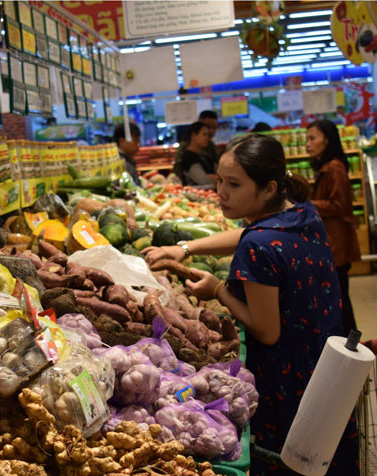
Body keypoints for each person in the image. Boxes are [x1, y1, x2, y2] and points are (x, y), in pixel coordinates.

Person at [144, 134, 359, 476]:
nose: (221, 192)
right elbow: (251, 234)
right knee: (324, 454)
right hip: (323, 357)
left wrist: (218, 289)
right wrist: (185, 249)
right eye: (218, 181)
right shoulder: (302, 212)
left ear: (268, 188)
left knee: (292, 459)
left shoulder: (258, 246)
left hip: (287, 376)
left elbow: (267, 331)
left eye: (233, 184)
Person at [306, 119, 361, 335]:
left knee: (340, 301)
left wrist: (307, 203)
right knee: (338, 299)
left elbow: (339, 205)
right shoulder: (326, 167)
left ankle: (352, 347)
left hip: (336, 244)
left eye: (313, 138)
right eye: (306, 139)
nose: (308, 144)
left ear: (327, 141)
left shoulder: (334, 167)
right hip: (332, 243)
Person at [173, 110, 219, 178]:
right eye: (208, 127)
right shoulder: (186, 146)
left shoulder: (210, 145)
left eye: (214, 127)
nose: (211, 131)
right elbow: (178, 168)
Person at [180, 121, 217, 187]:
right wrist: (215, 177)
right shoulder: (188, 157)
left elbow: (221, 176)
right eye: (204, 134)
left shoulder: (206, 156)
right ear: (193, 135)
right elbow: (203, 181)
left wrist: (211, 177)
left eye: (208, 135)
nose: (207, 138)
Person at [114, 122, 141, 186]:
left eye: (139, 141)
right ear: (121, 141)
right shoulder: (118, 162)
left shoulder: (127, 159)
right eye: (135, 141)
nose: (139, 145)